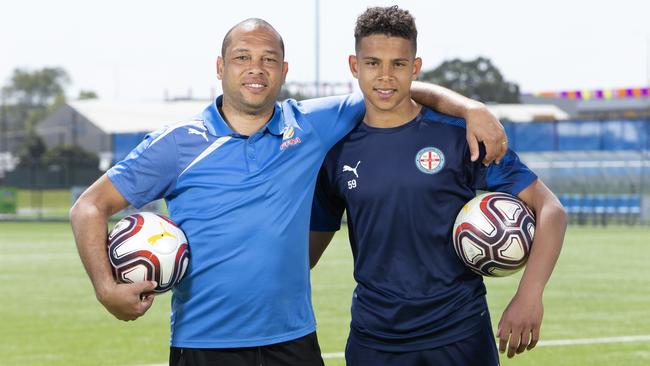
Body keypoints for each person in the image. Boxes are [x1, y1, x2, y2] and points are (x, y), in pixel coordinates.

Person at [70, 17, 508, 366]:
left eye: (268, 58)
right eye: (242, 57)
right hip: (204, 343)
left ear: (283, 70)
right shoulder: (176, 143)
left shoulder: (312, 124)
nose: (256, 68)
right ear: (221, 68)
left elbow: (393, 88)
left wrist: (472, 108)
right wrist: (105, 288)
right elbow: (89, 207)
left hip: (294, 342)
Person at [309, 6, 567, 366]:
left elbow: (550, 209)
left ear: (415, 68)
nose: (385, 76)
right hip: (375, 338)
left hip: (460, 332)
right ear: (354, 65)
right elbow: (308, 252)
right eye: (373, 63)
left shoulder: (460, 135)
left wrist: (529, 295)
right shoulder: (335, 150)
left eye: (398, 64)